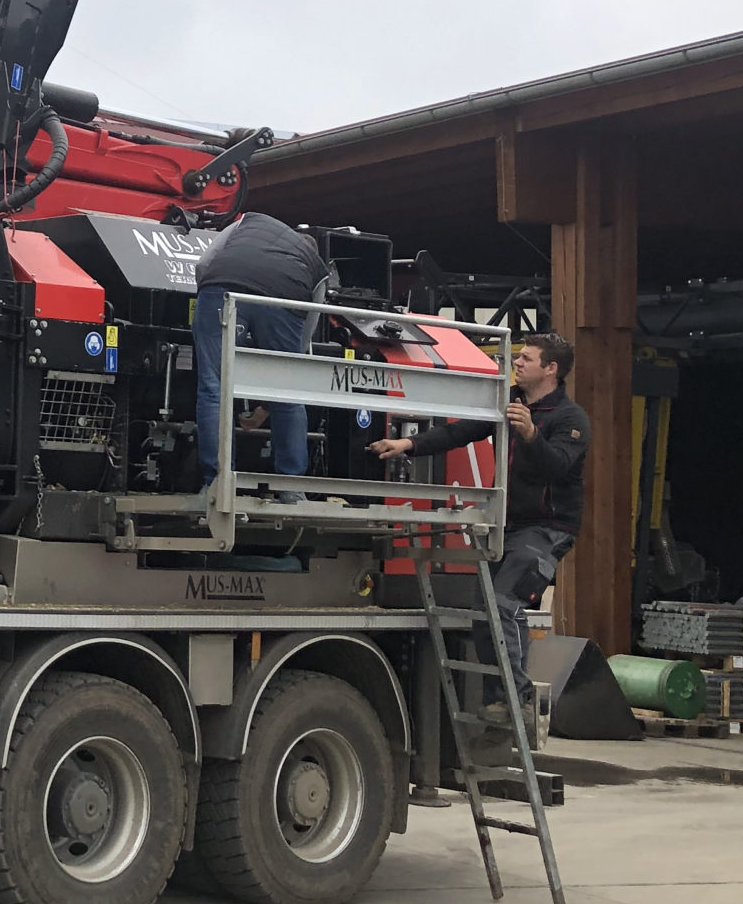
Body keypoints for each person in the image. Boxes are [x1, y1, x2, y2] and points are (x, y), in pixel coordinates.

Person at [369, 332, 589, 686]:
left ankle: (514, 696)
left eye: (526, 358)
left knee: (502, 603)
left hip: (547, 527)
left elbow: (559, 466)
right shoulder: (511, 401)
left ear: (551, 370)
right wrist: (407, 443)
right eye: (518, 356)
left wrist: (532, 435)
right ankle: (498, 703)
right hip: (507, 523)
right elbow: (461, 432)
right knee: (486, 610)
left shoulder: (570, 418)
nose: (516, 362)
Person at [193, 213, 329, 492]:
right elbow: (303, 339)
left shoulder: (249, 221)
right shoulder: (316, 269)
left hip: (222, 287)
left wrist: (208, 306)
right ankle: (290, 489)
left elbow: (204, 263)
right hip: (283, 298)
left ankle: (217, 484)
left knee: (214, 388)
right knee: (289, 394)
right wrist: (274, 377)